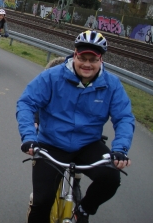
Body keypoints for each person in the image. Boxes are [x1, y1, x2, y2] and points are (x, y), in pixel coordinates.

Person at [16, 30, 135, 223]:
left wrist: (120, 149)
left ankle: (85, 209)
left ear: (101, 60)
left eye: (93, 59)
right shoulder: (52, 77)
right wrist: (29, 137)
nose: (87, 64)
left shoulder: (111, 85)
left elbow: (124, 118)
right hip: (51, 143)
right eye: (83, 57)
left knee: (111, 178)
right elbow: (26, 103)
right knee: (42, 201)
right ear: (74, 54)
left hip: (88, 144)